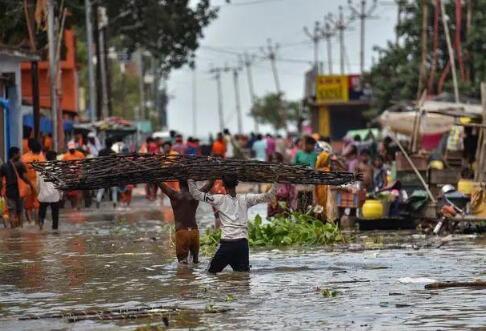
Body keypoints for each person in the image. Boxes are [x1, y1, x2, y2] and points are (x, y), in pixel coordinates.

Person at [188, 175, 275, 273]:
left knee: (210, 273)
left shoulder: (219, 199)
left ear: (223, 185)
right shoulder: (246, 199)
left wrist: (190, 179)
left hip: (227, 245)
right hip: (242, 245)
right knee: (243, 277)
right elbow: (269, 196)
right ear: (237, 183)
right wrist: (276, 182)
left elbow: (195, 194)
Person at [158, 179, 213, 264]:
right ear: (190, 185)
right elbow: (209, 185)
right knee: (195, 262)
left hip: (182, 232)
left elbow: (160, 184)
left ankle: (185, 277)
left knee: (182, 264)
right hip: (194, 232)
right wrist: (214, 176)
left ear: (179, 184)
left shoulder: (174, 195)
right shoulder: (196, 195)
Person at [0, 147, 35, 228]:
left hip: (9, 192)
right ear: (14, 154)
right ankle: (20, 229)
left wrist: (1, 191)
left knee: (12, 212)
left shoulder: (4, 166)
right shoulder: (20, 164)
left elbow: (1, 180)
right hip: (20, 192)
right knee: (20, 212)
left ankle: (13, 231)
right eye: (19, 153)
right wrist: (31, 185)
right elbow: (24, 177)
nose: (20, 155)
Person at [21, 139, 46, 224]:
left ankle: (30, 223)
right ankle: (37, 224)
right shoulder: (41, 157)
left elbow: (21, 173)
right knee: (37, 206)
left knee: (28, 207)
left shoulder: (24, 158)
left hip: (27, 184)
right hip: (38, 184)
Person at [37, 151, 61, 230]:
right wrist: (61, 194)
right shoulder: (57, 169)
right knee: (55, 215)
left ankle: (41, 223)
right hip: (54, 195)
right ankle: (55, 230)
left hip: (44, 195)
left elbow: (37, 184)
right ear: (54, 158)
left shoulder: (41, 169)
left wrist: (38, 194)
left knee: (42, 212)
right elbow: (60, 183)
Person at [62, 142, 85, 209]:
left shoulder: (80, 154)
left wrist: (82, 173)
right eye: (70, 149)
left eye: (72, 149)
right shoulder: (66, 156)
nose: (71, 150)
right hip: (70, 176)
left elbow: (84, 163)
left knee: (79, 190)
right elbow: (63, 166)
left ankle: (78, 205)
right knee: (71, 193)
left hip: (79, 175)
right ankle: (73, 206)